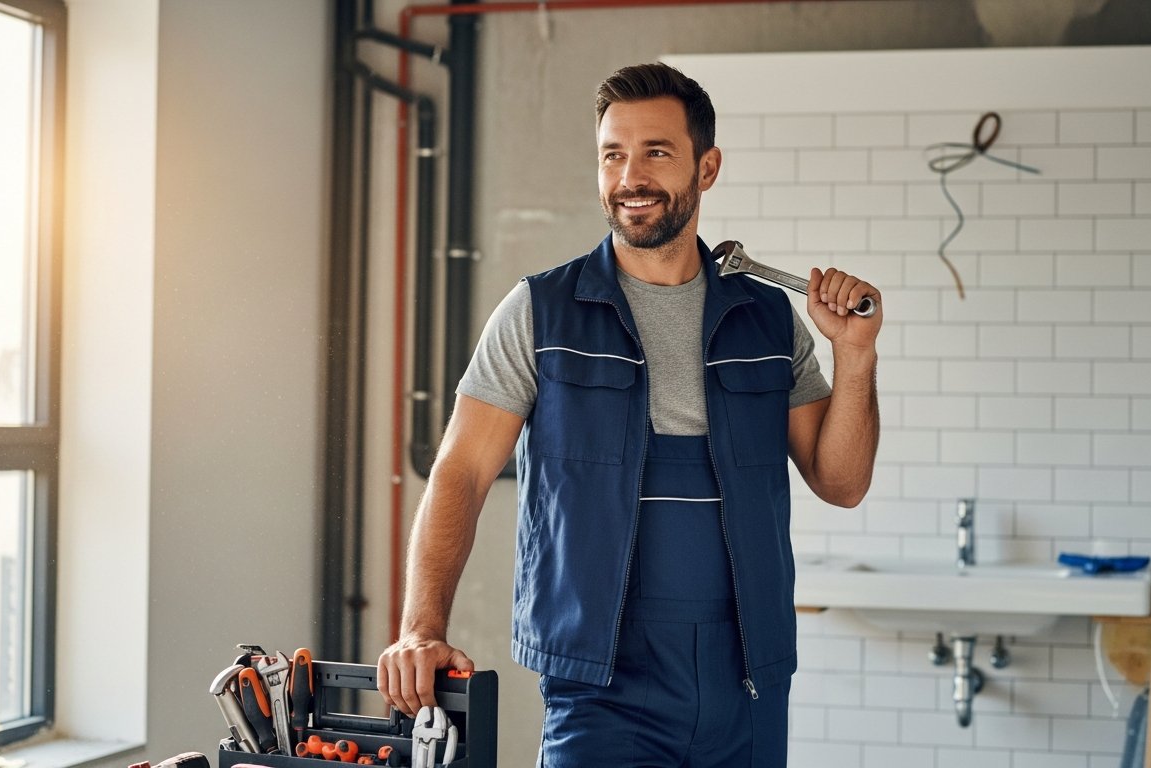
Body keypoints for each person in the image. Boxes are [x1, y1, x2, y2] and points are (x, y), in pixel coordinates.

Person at [378, 62, 881, 766]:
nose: (629, 178)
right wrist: (420, 626)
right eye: (612, 154)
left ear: (707, 168)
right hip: (601, 688)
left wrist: (855, 356)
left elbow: (842, 481)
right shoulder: (540, 314)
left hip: (747, 683)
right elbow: (460, 471)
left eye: (656, 153)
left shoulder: (766, 319)